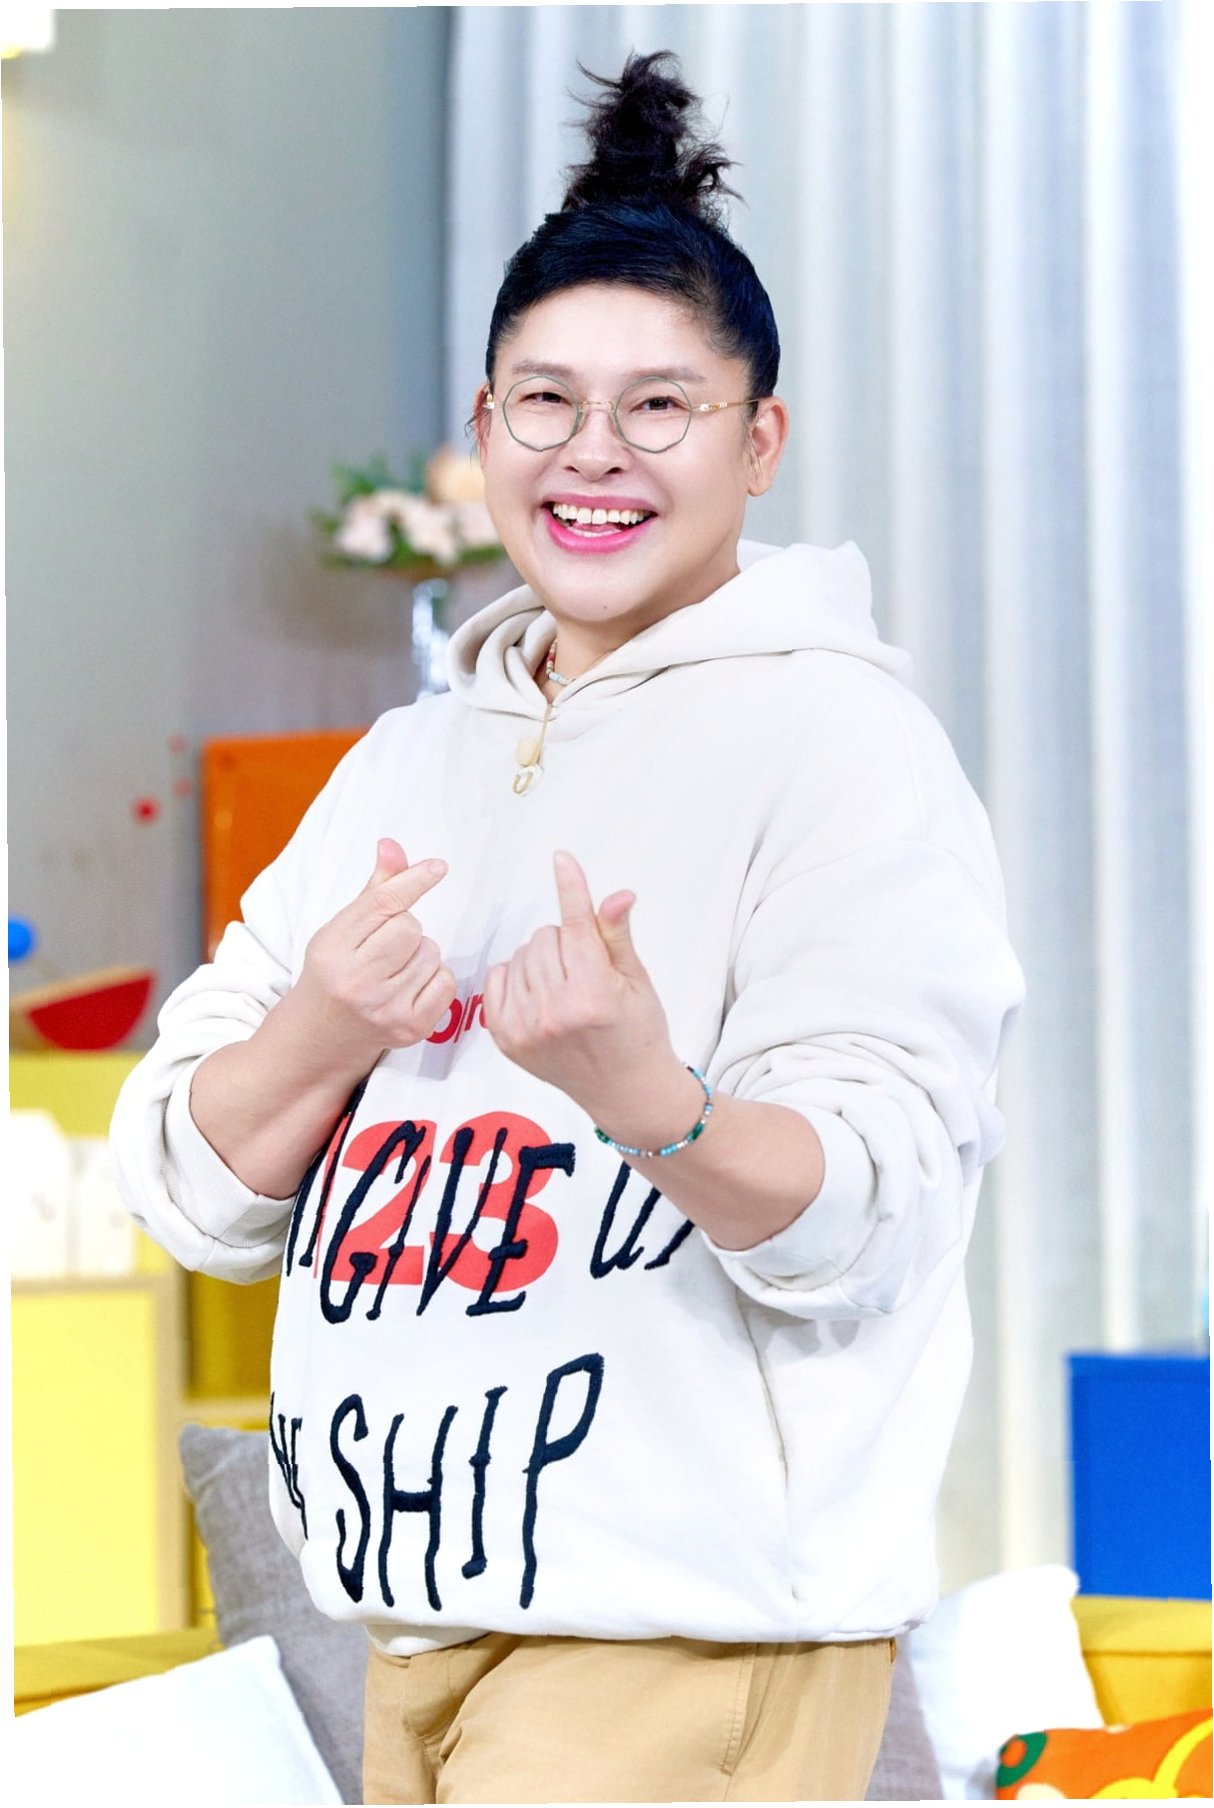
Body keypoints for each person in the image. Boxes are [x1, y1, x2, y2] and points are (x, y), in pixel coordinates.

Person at [112, 50, 1024, 1805]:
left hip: (685, 1645)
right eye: (545, 402)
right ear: (483, 429)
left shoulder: (839, 742)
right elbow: (188, 1191)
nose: (592, 454)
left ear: (758, 441)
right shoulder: (399, 763)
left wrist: (644, 1092)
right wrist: (320, 1031)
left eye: (659, 407)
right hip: (414, 1624)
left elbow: (876, 1205)